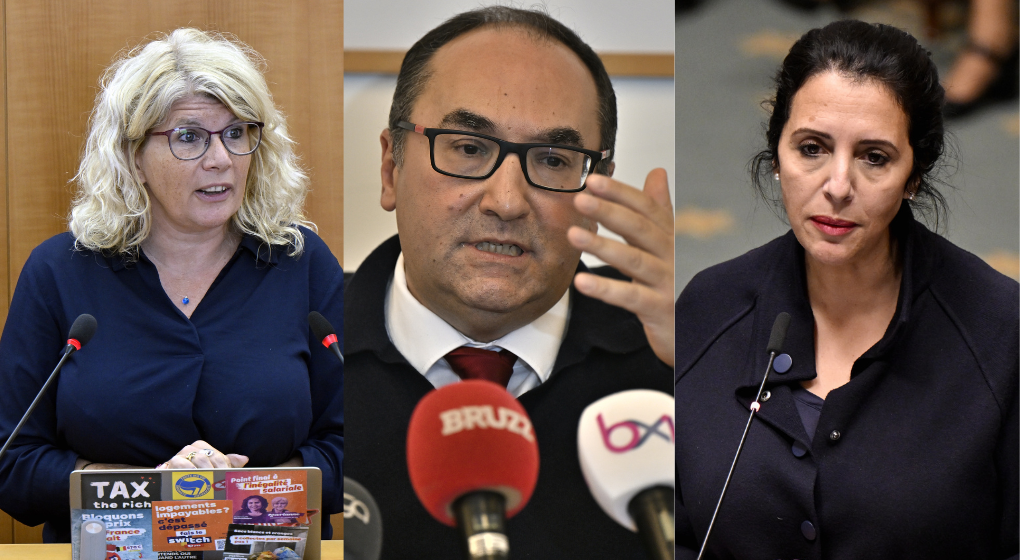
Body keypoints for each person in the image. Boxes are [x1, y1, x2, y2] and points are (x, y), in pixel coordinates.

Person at [674, 20, 1018, 559]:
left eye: (874, 157)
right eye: (811, 148)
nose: (837, 187)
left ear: (914, 175)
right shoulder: (707, 308)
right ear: (777, 155)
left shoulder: (1000, 330)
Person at [344, 6, 674, 559]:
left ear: (597, 192)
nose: (506, 201)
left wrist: (704, 366)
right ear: (390, 168)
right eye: (469, 148)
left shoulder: (668, 352)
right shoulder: (297, 351)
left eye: (552, 160)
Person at [0, 29, 343, 542]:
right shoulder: (58, 272)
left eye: (236, 133)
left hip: (267, 548)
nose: (221, 158)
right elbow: (12, 461)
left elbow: (354, 444)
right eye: (188, 137)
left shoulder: (302, 262)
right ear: (133, 156)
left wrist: (237, 493)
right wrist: (153, 491)